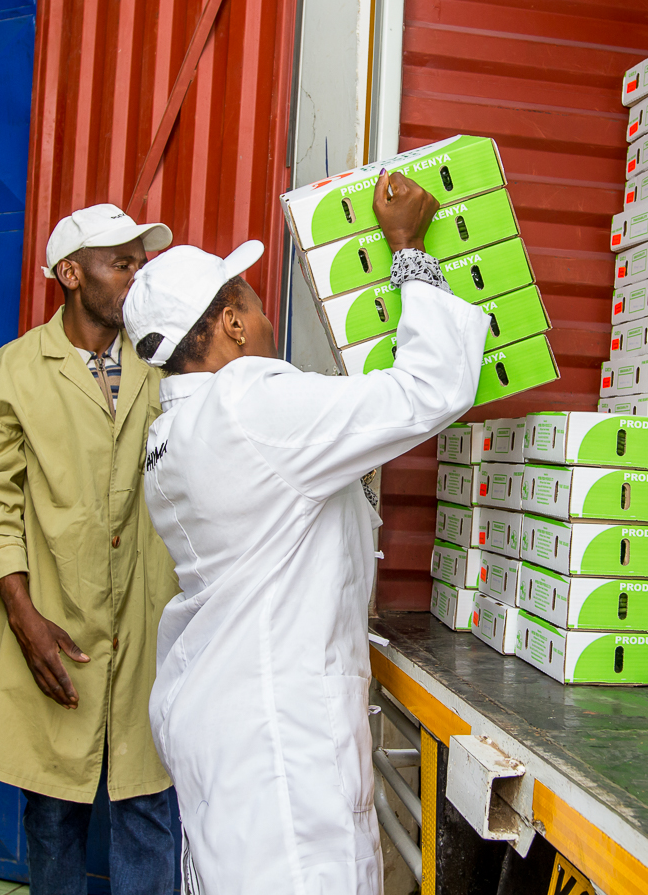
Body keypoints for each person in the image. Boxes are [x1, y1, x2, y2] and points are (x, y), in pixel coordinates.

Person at [123, 172, 487, 894]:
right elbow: (429, 390)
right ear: (230, 322)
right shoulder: (246, 403)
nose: (265, 323)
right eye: (255, 307)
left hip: (220, 723)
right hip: (279, 751)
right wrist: (409, 250)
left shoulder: (173, 432)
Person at [0, 204, 181, 895]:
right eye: (122, 263)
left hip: (150, 623)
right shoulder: (10, 376)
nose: (138, 276)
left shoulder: (166, 362)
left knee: (150, 804)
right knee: (53, 813)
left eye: (141, 262)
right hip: (55, 621)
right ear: (73, 275)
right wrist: (25, 617)